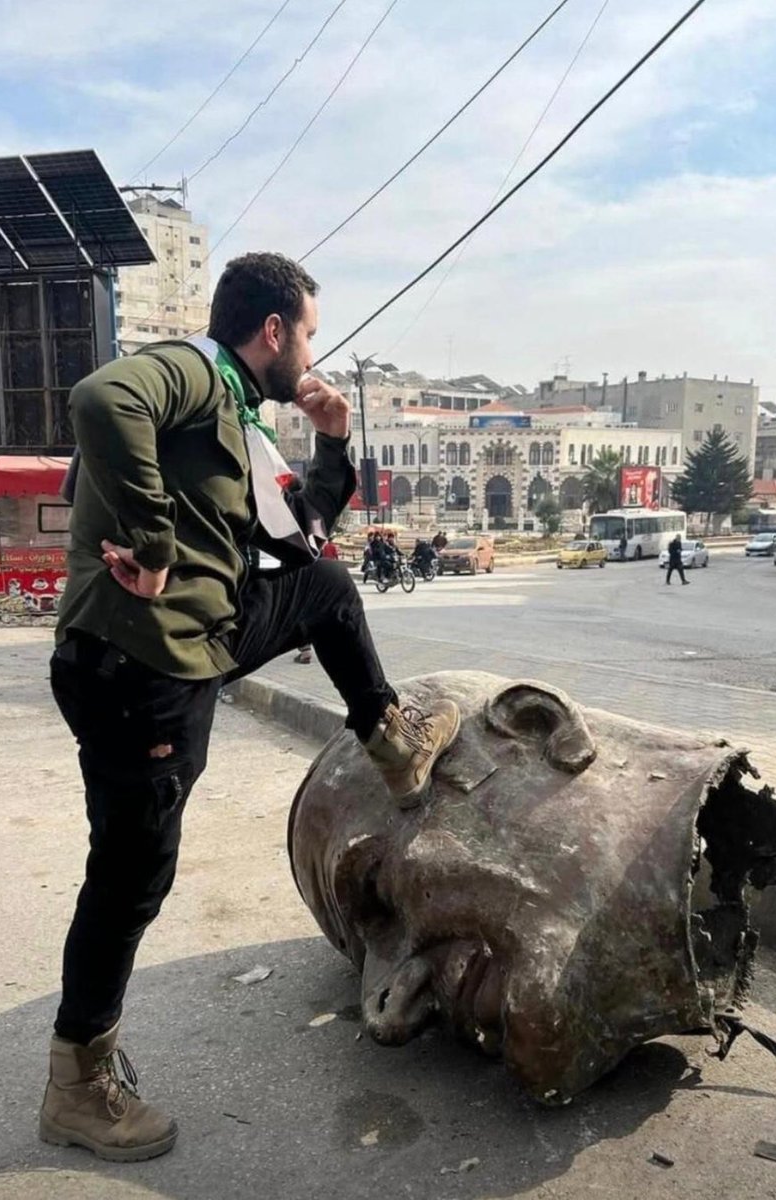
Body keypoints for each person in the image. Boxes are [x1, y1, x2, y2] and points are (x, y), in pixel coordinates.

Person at [41, 253, 460, 1163]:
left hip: (191, 647)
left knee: (328, 589)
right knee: (129, 878)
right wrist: (152, 540)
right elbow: (101, 401)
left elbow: (300, 536)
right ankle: (77, 1085)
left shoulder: (233, 413)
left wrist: (337, 442)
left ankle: (392, 741)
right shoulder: (194, 370)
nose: (308, 353)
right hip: (136, 668)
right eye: (307, 334)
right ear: (272, 330)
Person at [294, 541, 338, 663]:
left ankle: (305, 650)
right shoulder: (316, 543)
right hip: (316, 582)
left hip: (300, 582)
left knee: (299, 615)